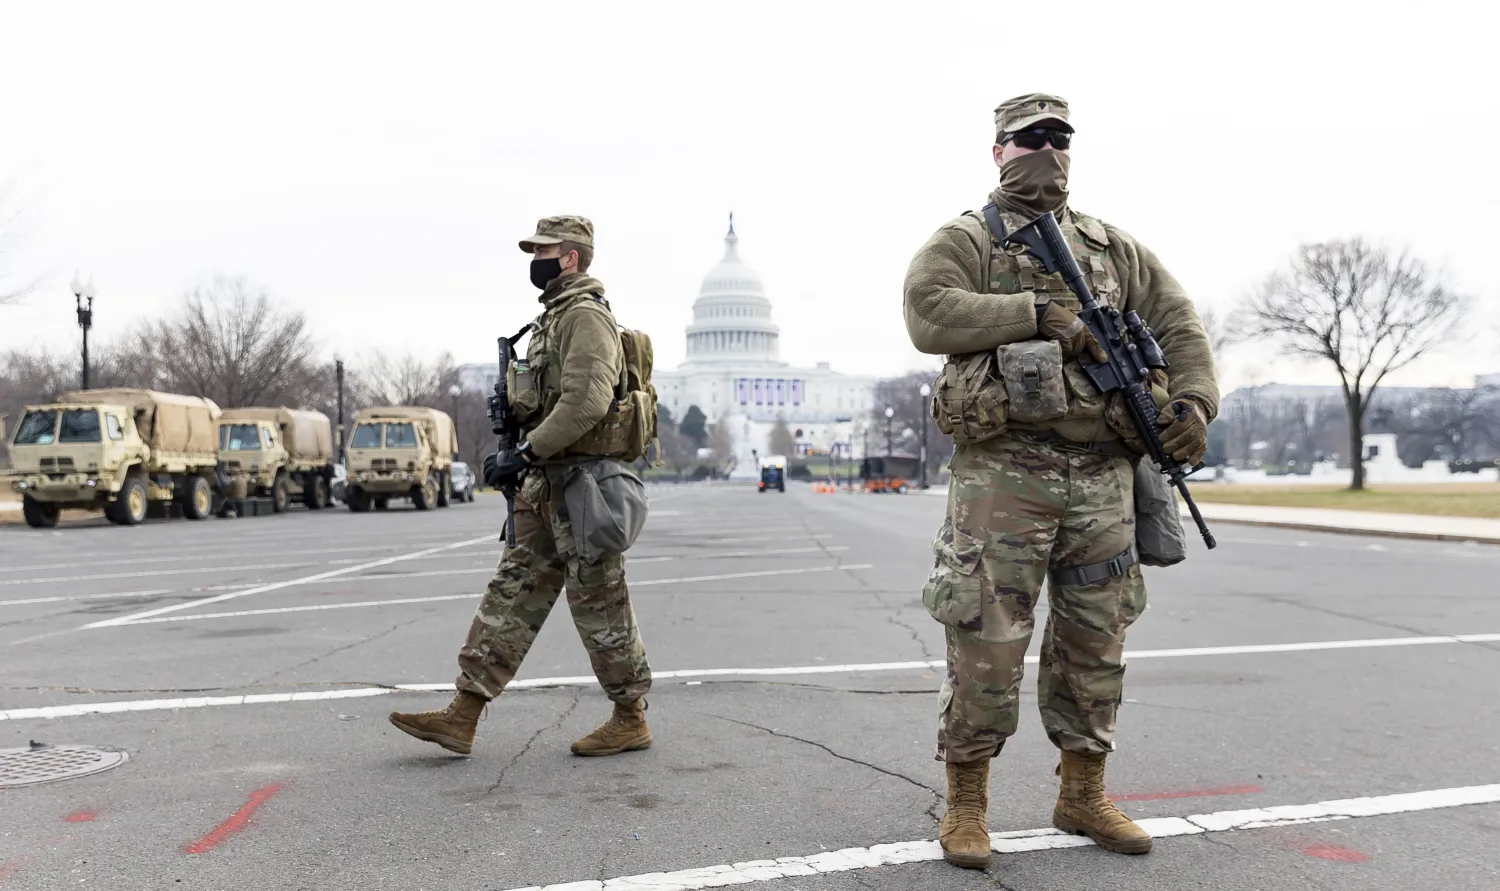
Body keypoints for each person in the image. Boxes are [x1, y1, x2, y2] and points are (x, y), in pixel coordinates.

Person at [903, 94, 1218, 869]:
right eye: (1029, 138)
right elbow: (927, 312)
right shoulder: (969, 238)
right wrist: (1037, 313)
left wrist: (1193, 403)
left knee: (1096, 637)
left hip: (1104, 473)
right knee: (985, 638)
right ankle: (967, 803)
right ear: (999, 151)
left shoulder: (1113, 248)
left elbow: (1179, 325)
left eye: (1059, 137)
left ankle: (1082, 793)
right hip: (1005, 470)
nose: (1047, 150)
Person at [388, 215, 654, 759]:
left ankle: (630, 717)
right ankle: (462, 714)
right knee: (512, 592)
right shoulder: (552, 319)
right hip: (548, 483)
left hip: (584, 487)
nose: (535, 260)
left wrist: (526, 454)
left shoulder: (584, 318)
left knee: (599, 603)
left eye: (544, 250)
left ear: (571, 257)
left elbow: (587, 402)